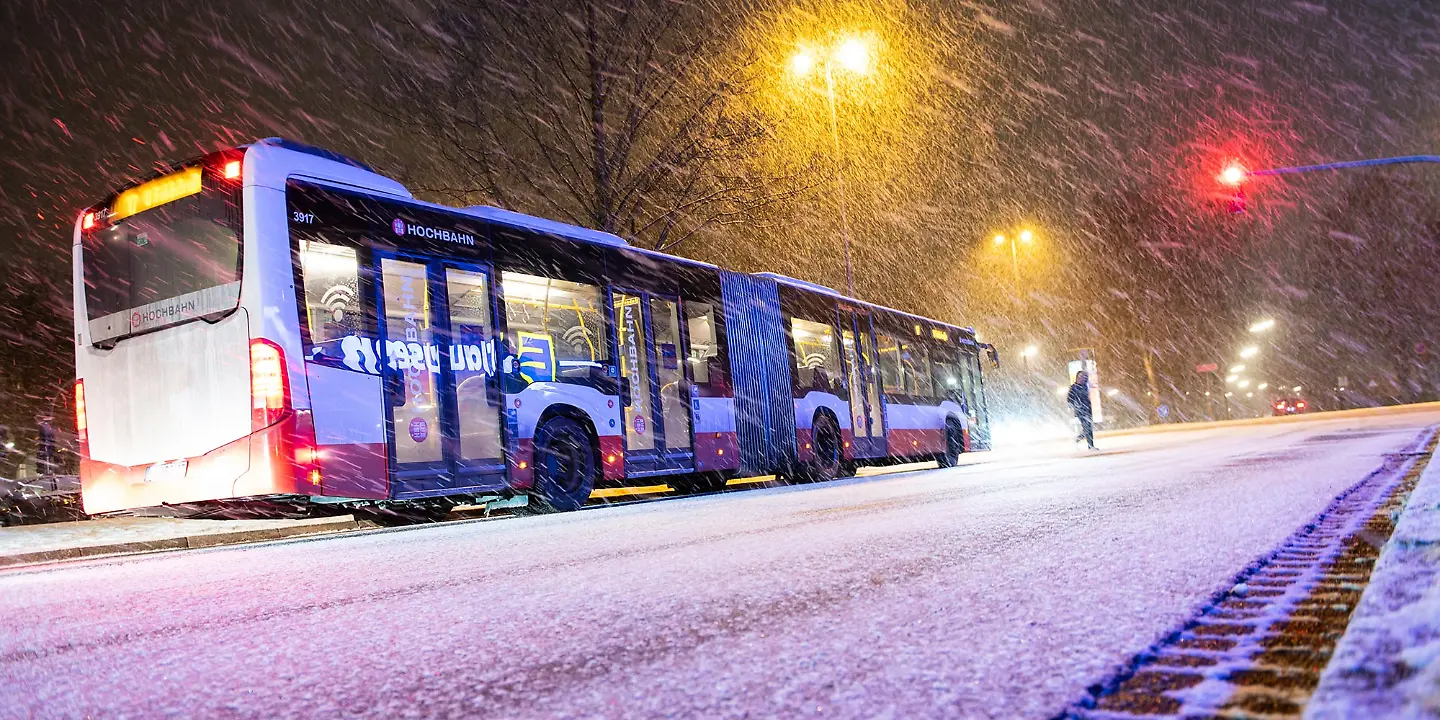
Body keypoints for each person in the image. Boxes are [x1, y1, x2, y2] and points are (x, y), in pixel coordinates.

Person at [1067, 370, 1096, 450]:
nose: (1081, 378)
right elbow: (1069, 398)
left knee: (1089, 428)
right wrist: (1072, 405)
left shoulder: (1085, 386)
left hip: (1087, 409)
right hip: (1080, 410)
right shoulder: (1074, 387)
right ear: (1077, 378)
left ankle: (1079, 439)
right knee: (1087, 427)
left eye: (1083, 377)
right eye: (1080, 377)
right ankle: (1090, 445)